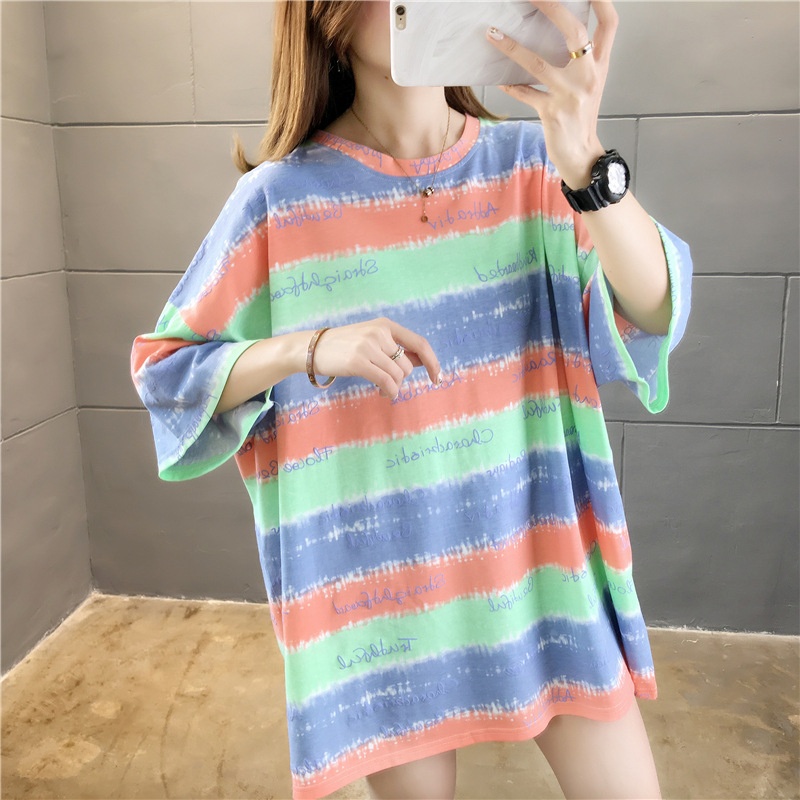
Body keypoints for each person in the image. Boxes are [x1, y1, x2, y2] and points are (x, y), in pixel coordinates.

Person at [131, 1, 692, 798]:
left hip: (543, 575)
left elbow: (655, 308)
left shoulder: (537, 168)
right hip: (385, 609)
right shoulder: (278, 202)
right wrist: (309, 347)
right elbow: (166, 372)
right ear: (326, 16)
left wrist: (585, 160)